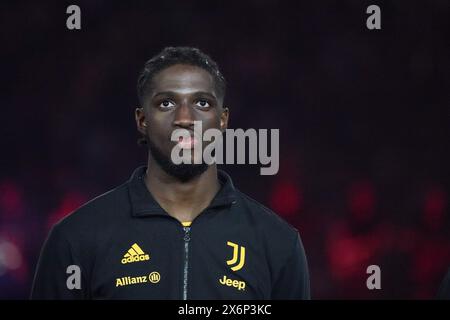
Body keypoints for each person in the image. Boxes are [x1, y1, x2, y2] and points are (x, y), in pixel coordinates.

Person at [31, 47, 310, 299]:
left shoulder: (278, 244)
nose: (185, 119)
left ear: (223, 120)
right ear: (142, 120)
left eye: (202, 103)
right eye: (166, 103)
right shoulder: (75, 239)